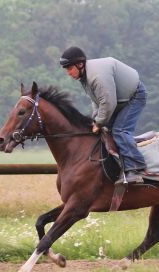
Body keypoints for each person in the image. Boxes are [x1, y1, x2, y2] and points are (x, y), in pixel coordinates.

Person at [59, 46, 147, 184]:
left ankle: (135, 170)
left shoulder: (96, 76)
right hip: (119, 100)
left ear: (80, 64)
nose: (68, 73)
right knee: (106, 130)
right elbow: (98, 101)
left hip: (135, 96)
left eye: (69, 68)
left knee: (120, 130)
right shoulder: (85, 76)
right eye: (66, 69)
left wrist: (99, 122)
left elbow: (108, 103)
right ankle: (118, 166)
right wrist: (95, 121)